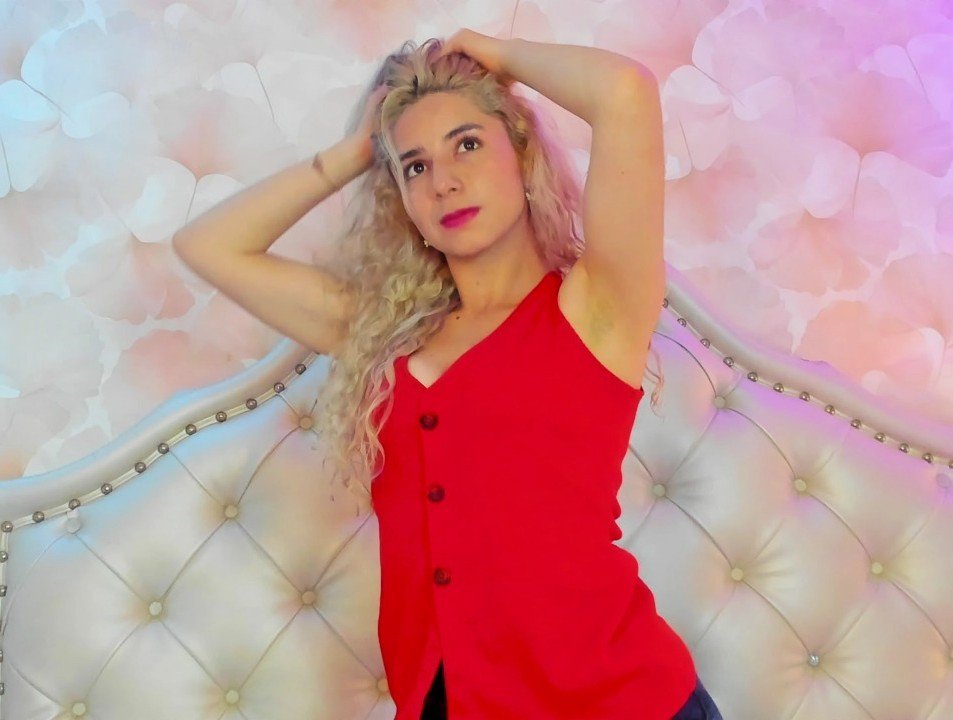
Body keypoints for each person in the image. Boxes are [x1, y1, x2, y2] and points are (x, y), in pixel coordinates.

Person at [173, 28, 721, 720]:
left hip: (617, 700)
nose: (444, 182)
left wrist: (487, 51)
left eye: (467, 144)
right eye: (415, 167)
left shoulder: (596, 307)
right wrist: (356, 152)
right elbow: (207, 246)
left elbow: (625, 92)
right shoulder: (382, 333)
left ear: (521, 155)